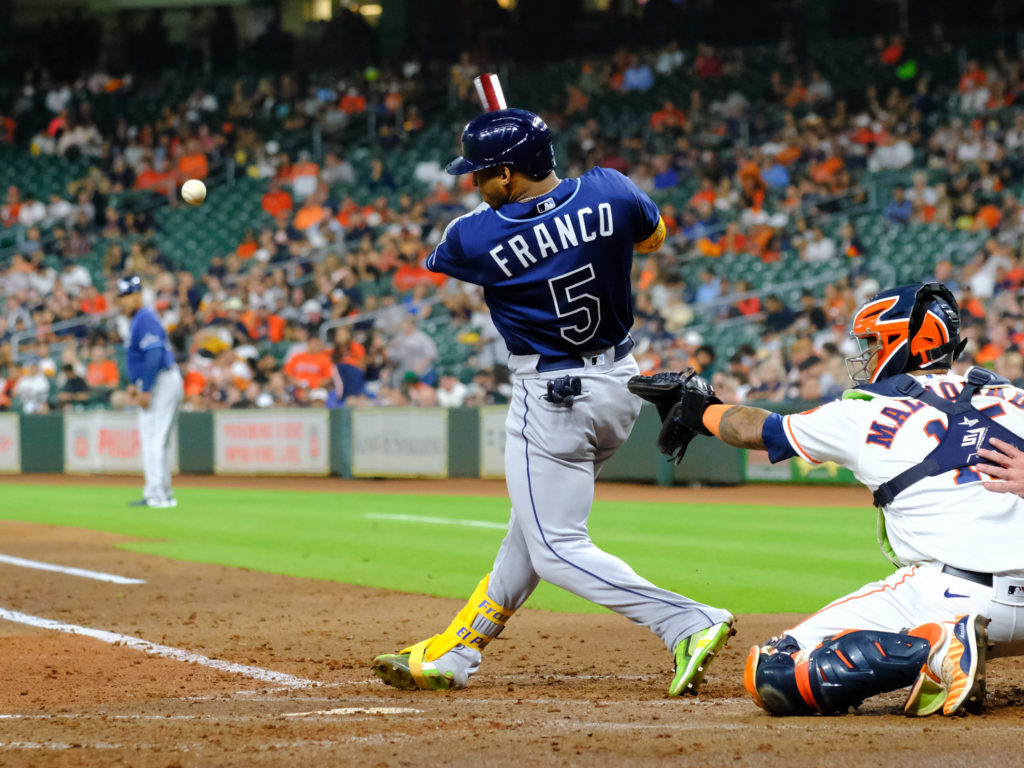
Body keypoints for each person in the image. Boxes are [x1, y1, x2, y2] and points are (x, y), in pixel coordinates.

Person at [372, 107, 734, 695]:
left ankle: (687, 620)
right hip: (618, 385)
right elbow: (654, 237)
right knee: (531, 531)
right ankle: (457, 650)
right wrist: (563, 212)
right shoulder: (611, 187)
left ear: (507, 173)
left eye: (482, 173)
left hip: (552, 396)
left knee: (556, 548)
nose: (474, 183)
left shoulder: (474, 235)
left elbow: (446, 253)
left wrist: (535, 218)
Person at [630, 282, 1024, 717]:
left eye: (873, 342)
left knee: (774, 670)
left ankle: (935, 648)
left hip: (952, 598)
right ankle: (945, 645)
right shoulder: (1011, 395)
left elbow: (756, 429)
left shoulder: (864, 411)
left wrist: (700, 409)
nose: (867, 354)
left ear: (903, 342)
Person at [117, 276, 183, 509]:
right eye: (123, 296)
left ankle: (157, 495)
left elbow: (154, 354)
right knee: (159, 440)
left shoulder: (144, 317)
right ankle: (163, 492)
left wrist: (145, 389)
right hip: (161, 380)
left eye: (130, 295)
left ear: (139, 296)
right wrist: (134, 383)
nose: (125, 301)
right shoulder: (140, 319)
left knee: (153, 439)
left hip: (160, 382)